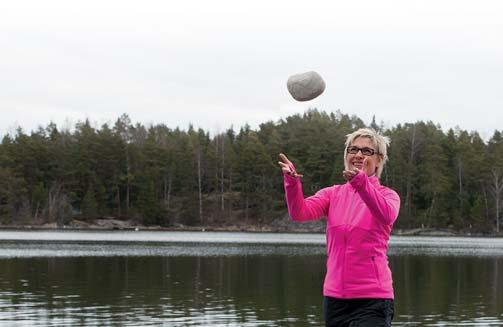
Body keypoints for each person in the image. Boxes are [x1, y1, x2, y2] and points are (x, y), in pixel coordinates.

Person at [278, 128, 399, 327]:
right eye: (353, 149)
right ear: (346, 156)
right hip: (335, 299)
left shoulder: (388, 196)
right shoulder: (332, 194)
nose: (358, 154)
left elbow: (386, 214)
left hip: (373, 299)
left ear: (379, 159)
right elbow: (299, 213)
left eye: (367, 151)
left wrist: (361, 184)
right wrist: (292, 182)